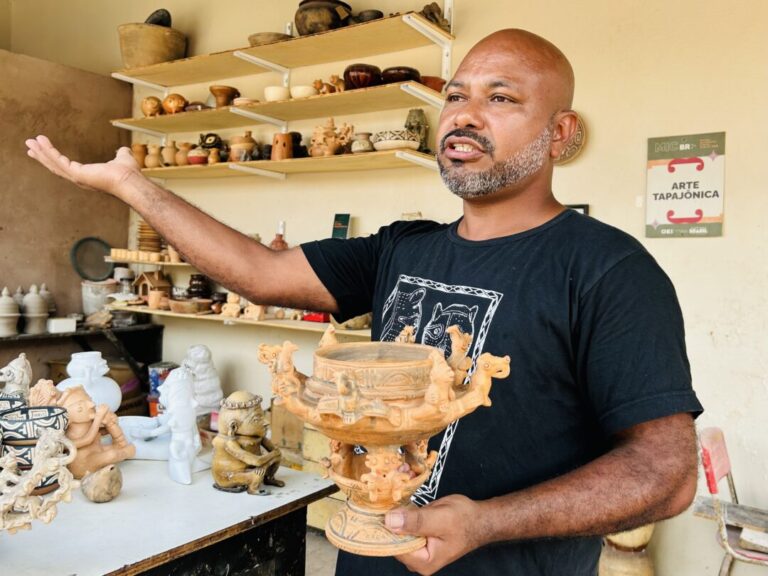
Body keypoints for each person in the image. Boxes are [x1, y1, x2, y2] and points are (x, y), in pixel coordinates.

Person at [26, 28, 702, 576]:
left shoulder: (608, 270)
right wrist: (132, 188)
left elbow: (665, 474)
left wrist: (484, 521)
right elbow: (259, 272)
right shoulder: (402, 248)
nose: (463, 114)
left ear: (559, 134)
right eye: (456, 96)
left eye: (500, 98)